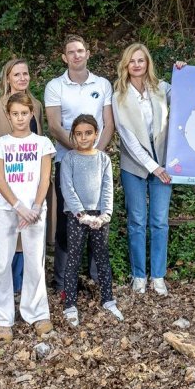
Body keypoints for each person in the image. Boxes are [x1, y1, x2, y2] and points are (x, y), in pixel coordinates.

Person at [44, 35, 114, 293]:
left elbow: (108, 123)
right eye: (71, 52)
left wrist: (94, 153)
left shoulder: (103, 84)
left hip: (97, 162)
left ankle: (97, 277)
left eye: (80, 50)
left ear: (87, 53)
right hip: (67, 160)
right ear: (64, 57)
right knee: (68, 219)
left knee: (97, 215)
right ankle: (63, 280)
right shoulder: (55, 86)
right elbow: (54, 125)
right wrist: (78, 151)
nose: (76, 55)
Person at [0, 92, 56, 341]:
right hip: (7, 211)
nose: (19, 118)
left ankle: (36, 313)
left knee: (34, 263)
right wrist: (19, 206)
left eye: (24, 113)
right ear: (8, 115)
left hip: (35, 212)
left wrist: (35, 207)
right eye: (15, 114)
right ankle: (0, 317)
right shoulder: (0, 144)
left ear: (31, 114)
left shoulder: (42, 143)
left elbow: (44, 179)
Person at [113, 43, 174, 296]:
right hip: (134, 164)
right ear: (125, 65)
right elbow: (126, 138)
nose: (137, 65)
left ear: (148, 63)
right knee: (137, 221)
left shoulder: (162, 88)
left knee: (159, 221)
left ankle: (158, 276)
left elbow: (189, 92)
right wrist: (153, 167)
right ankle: (139, 275)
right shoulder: (118, 96)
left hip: (163, 158)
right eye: (132, 61)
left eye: (141, 60)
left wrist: (182, 70)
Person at [0, 58, 46, 295]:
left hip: (29, 186)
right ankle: (6, 288)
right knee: (6, 238)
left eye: (25, 74)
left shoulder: (36, 105)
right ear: (7, 78)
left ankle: (25, 288)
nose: (22, 78)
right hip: (4, 187)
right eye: (16, 74)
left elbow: (38, 143)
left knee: (27, 236)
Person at [59, 115, 124, 325]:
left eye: (88, 133)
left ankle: (108, 298)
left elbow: (107, 188)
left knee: (102, 258)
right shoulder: (69, 158)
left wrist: (105, 215)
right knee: (74, 259)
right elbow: (67, 188)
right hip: (77, 216)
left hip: (99, 216)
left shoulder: (103, 159)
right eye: (78, 134)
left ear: (96, 134)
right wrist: (81, 215)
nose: (83, 137)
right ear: (73, 136)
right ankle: (70, 304)